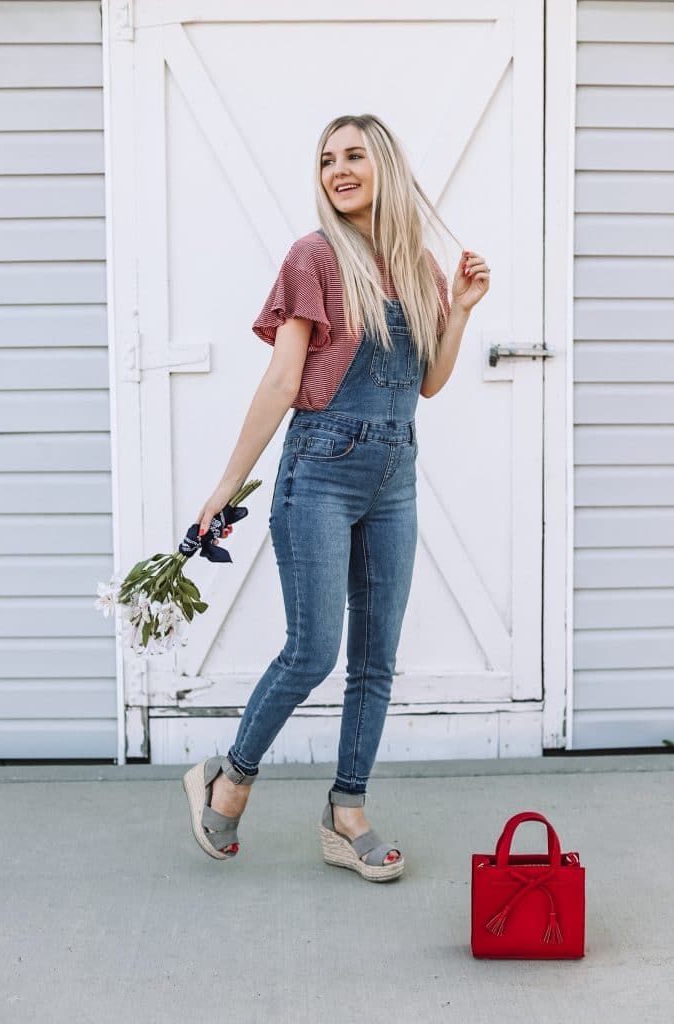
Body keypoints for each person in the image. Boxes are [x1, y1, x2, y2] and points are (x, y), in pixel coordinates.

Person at [183, 113, 490, 881]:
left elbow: (426, 383)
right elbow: (283, 381)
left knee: (375, 659)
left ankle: (345, 812)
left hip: (394, 474)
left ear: (384, 164)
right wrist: (225, 485)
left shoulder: (414, 263)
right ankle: (232, 775)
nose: (338, 170)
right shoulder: (313, 257)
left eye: (353, 155)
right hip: (317, 470)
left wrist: (457, 311)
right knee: (313, 650)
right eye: (326, 159)